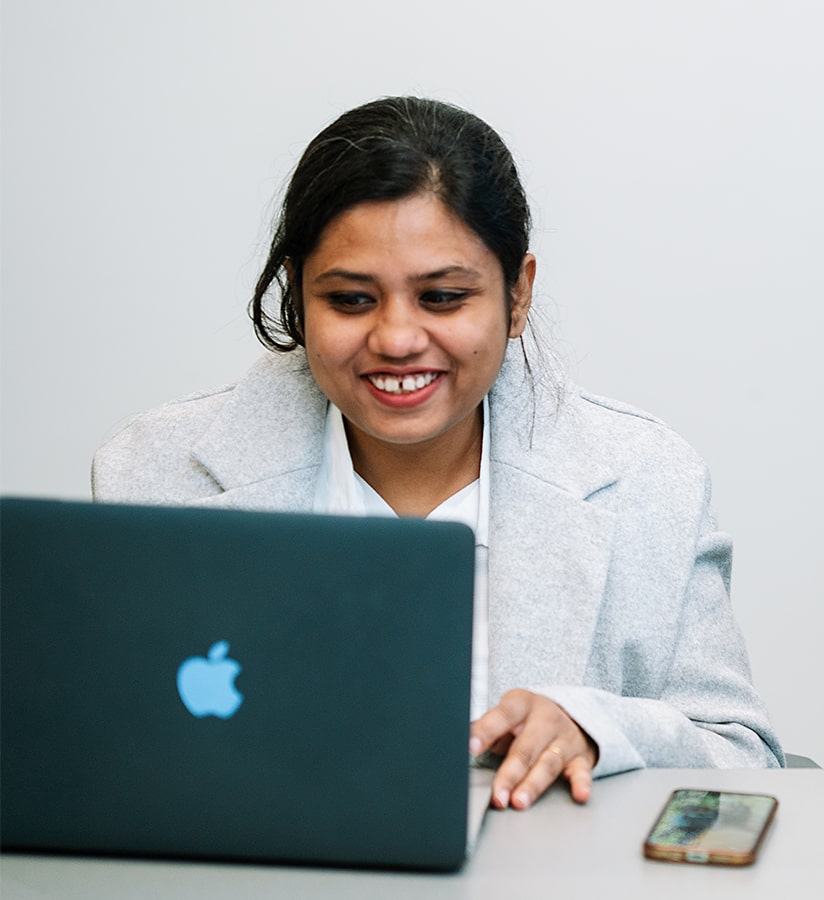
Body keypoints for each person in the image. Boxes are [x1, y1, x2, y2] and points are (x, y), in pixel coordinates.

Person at [92, 96, 784, 812]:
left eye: (444, 298)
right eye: (351, 300)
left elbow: (746, 760)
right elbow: (84, 746)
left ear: (517, 297)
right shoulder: (154, 473)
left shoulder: (647, 479)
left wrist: (601, 730)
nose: (396, 338)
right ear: (299, 298)